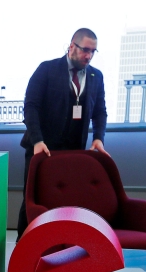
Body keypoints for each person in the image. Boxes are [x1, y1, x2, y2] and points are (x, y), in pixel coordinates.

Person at [17, 28, 108, 233]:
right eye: (85, 50)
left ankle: (60, 247)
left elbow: (100, 111)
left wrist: (99, 138)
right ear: (71, 46)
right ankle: (23, 248)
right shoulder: (47, 69)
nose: (89, 55)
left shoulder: (95, 76)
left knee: (65, 201)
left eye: (93, 51)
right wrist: (37, 140)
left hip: (72, 151)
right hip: (41, 149)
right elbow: (31, 107)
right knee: (32, 200)